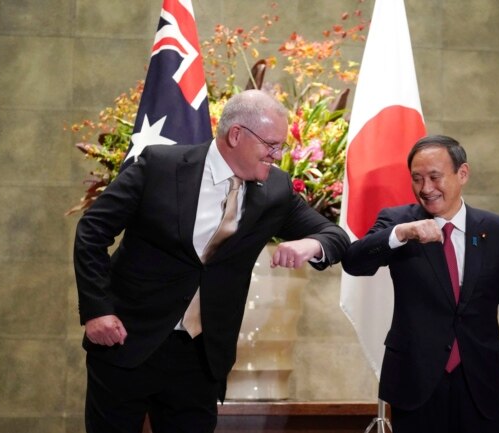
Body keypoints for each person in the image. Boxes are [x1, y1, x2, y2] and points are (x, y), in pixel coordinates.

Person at [73, 89, 350, 433]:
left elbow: (337, 237)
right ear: (236, 135)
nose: (277, 156)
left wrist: (312, 244)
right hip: (128, 340)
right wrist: (97, 309)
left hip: (200, 358)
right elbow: (92, 231)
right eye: (271, 145)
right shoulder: (160, 166)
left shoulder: (275, 190)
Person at [342, 135, 499, 432]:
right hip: (416, 379)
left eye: (435, 177)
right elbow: (354, 261)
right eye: (417, 179)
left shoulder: (498, 230)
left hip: (479, 379)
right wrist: (401, 234)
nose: (426, 189)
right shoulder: (398, 223)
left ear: (462, 174)